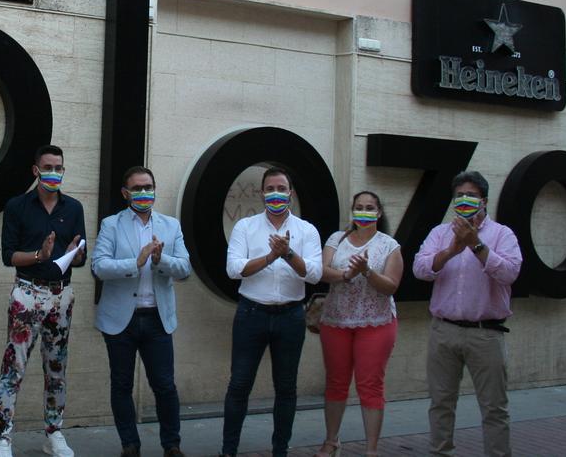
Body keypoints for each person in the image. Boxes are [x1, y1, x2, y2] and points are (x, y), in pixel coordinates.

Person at [413, 170, 522, 457]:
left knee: (494, 407)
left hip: (486, 333)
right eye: (459, 195)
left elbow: (510, 273)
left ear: (484, 200)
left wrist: (476, 245)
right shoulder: (439, 233)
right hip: (443, 331)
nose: (464, 200)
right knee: (440, 403)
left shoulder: (502, 234)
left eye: (471, 195)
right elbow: (420, 269)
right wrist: (450, 250)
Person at [0, 145, 87, 457]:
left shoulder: (73, 208)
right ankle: (2, 438)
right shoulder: (17, 206)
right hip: (27, 292)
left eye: (59, 167)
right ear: (36, 170)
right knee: (13, 366)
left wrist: (77, 252)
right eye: (48, 167)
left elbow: (80, 257)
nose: (54, 173)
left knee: (56, 366)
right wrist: (39, 256)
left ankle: (54, 432)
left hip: (61, 294)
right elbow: (8, 256)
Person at [220, 166, 323, 457]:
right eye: (270, 189)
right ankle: (228, 450)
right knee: (239, 385)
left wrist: (288, 255)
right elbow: (234, 269)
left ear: (290, 192)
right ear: (262, 193)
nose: (276, 194)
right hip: (251, 314)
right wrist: (270, 256)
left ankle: (280, 450)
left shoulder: (306, 230)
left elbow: (314, 275)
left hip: (291, 316)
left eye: (281, 189)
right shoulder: (245, 227)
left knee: (287, 388)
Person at [92, 166, 192, 457]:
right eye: (137, 189)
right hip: (120, 321)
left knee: (164, 385)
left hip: (158, 320)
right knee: (121, 385)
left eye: (148, 187)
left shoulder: (171, 226)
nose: (144, 193)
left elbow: (185, 269)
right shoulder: (112, 224)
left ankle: (172, 445)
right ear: (126, 193)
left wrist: (161, 261)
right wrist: (134, 263)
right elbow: (98, 266)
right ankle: (130, 445)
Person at [315, 191, 403, 457]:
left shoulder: (390, 245)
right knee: (336, 383)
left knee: (370, 385)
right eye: (358, 207)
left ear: (378, 213)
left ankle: (371, 449)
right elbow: (321, 271)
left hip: (376, 323)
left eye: (369, 208)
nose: (363, 212)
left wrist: (367, 271)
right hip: (336, 321)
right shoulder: (336, 239)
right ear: (352, 212)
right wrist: (346, 274)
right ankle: (331, 442)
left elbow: (390, 286)